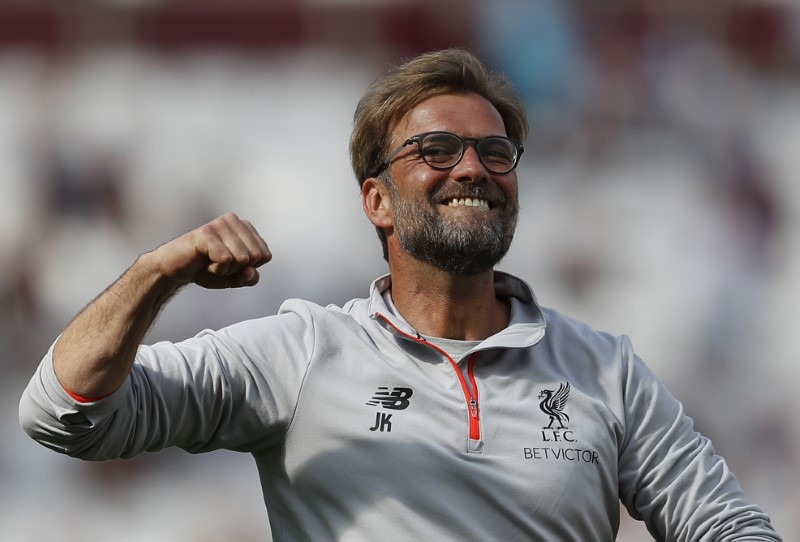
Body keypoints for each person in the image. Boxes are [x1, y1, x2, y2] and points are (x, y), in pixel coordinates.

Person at [19, 48, 781, 541]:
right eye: (437, 150)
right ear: (376, 200)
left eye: (495, 151)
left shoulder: (602, 368)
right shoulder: (302, 354)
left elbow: (729, 528)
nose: (474, 168)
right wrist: (157, 273)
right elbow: (63, 415)